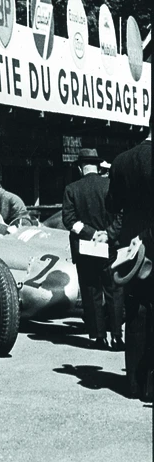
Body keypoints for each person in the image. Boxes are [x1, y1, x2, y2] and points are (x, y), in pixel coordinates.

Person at [101, 125, 153, 401]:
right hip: (150, 243)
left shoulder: (122, 161)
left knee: (136, 311)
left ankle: (134, 383)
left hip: (132, 250)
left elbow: (112, 205)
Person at [62, 148, 124, 351]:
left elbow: (69, 220)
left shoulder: (72, 189)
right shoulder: (110, 186)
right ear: (98, 167)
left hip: (86, 247)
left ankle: (98, 337)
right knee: (114, 291)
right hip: (109, 246)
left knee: (91, 291)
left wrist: (91, 233)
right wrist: (108, 234)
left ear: (81, 168)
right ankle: (116, 337)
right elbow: (121, 215)